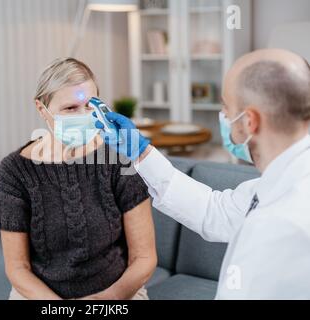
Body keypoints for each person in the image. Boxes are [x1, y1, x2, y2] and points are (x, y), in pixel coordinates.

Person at [95, 49, 310, 299]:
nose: (224, 117)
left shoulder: (281, 224)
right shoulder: (284, 180)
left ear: (250, 121)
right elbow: (215, 210)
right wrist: (141, 153)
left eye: (226, 108)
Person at [0, 57, 157, 300]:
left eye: (90, 107)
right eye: (70, 108)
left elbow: (144, 258)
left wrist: (104, 300)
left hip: (115, 293)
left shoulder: (118, 159)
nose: (83, 116)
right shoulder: (14, 171)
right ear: (42, 109)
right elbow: (18, 268)